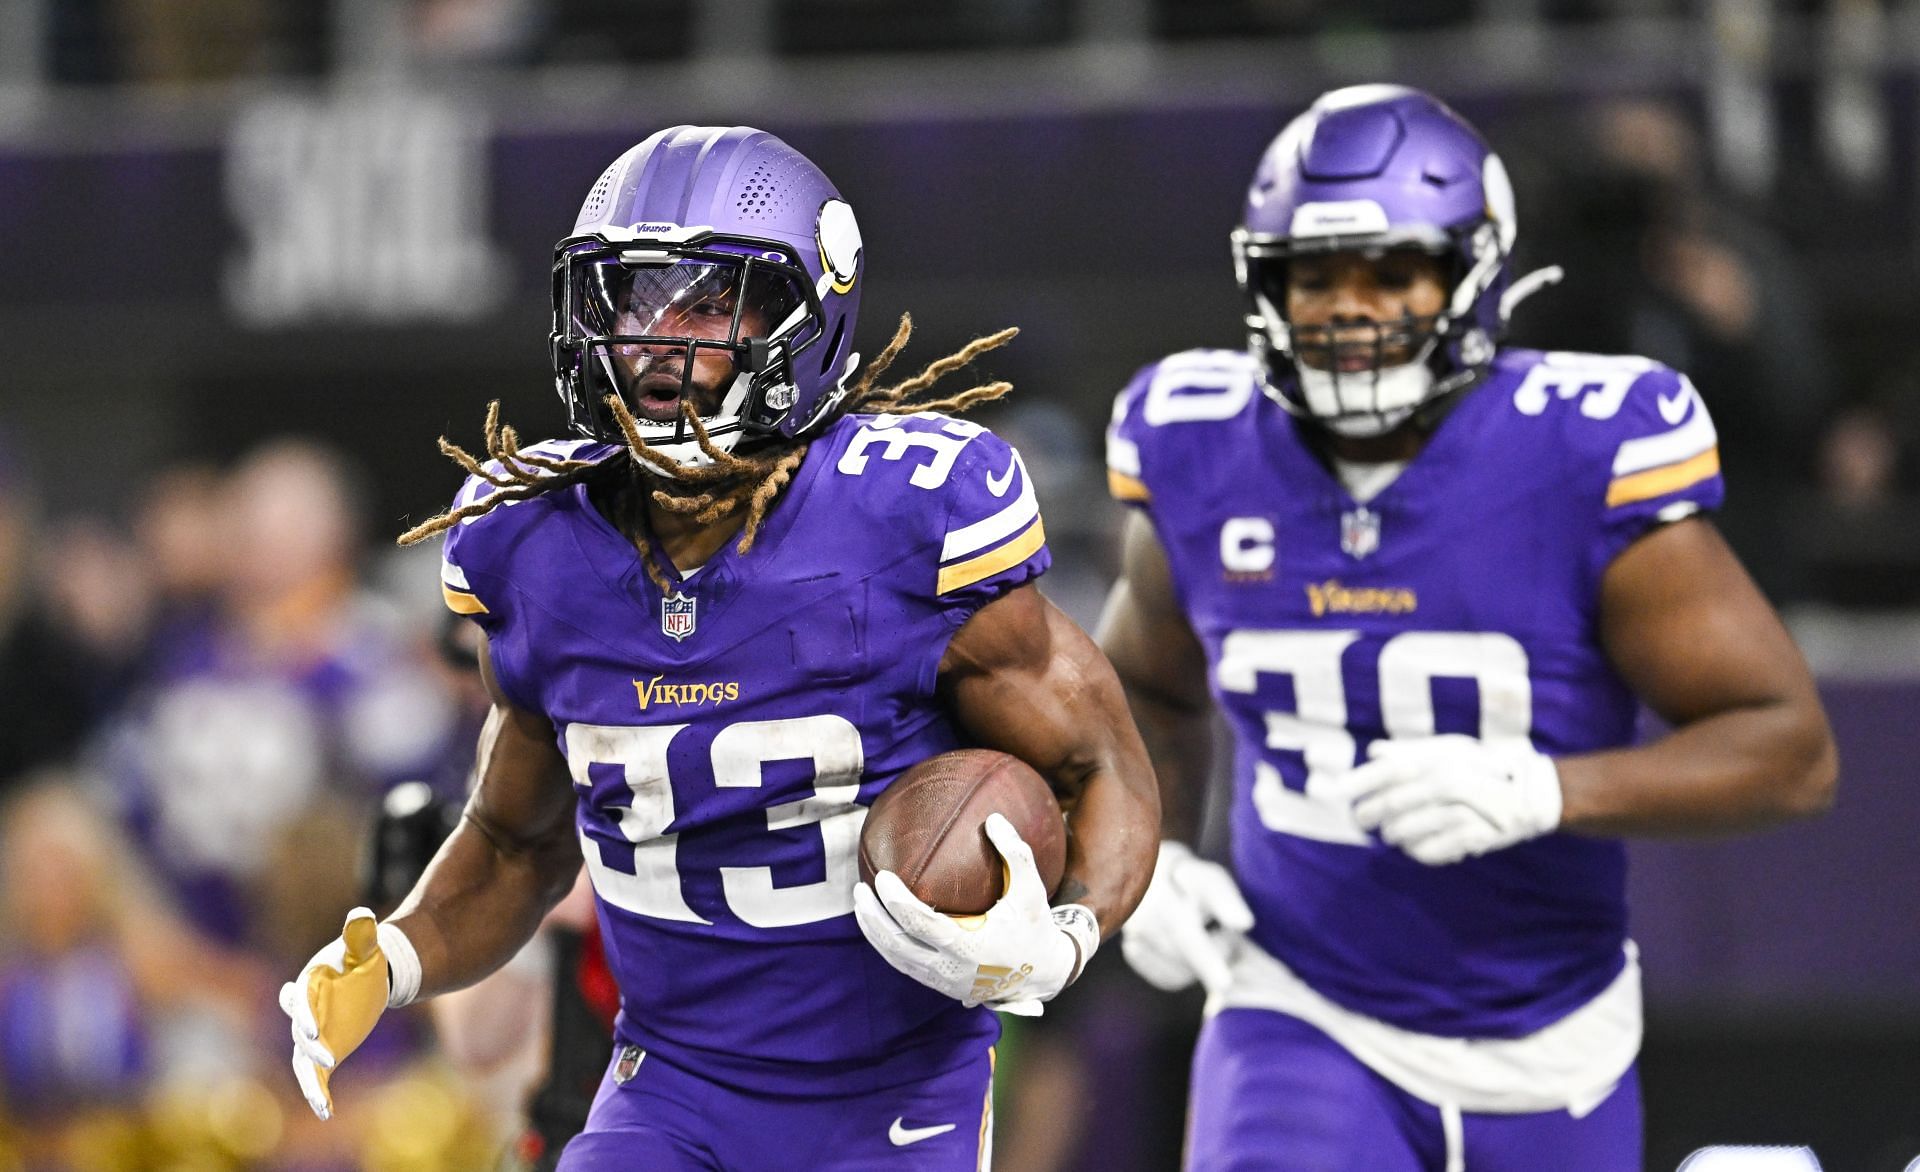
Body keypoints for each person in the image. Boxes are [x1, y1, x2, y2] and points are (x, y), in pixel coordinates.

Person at [278, 124, 1159, 1170]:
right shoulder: (535, 544)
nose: (658, 339)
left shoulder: (904, 521)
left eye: (705, 301)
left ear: (805, 315)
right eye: (632, 300)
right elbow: (517, 842)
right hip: (670, 1086)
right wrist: (398, 959)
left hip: (888, 1094)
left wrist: (1061, 939)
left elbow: (1099, 762)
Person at [1099, 86, 1837, 1171]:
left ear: (1470, 273)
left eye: (1390, 271)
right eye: (1315, 276)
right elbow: (1140, 690)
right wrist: (1143, 852)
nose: (1349, 309)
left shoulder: (1579, 457)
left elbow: (1791, 748)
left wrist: (1546, 787)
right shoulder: (1199, 447)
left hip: (1549, 1032)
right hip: (1300, 1002)